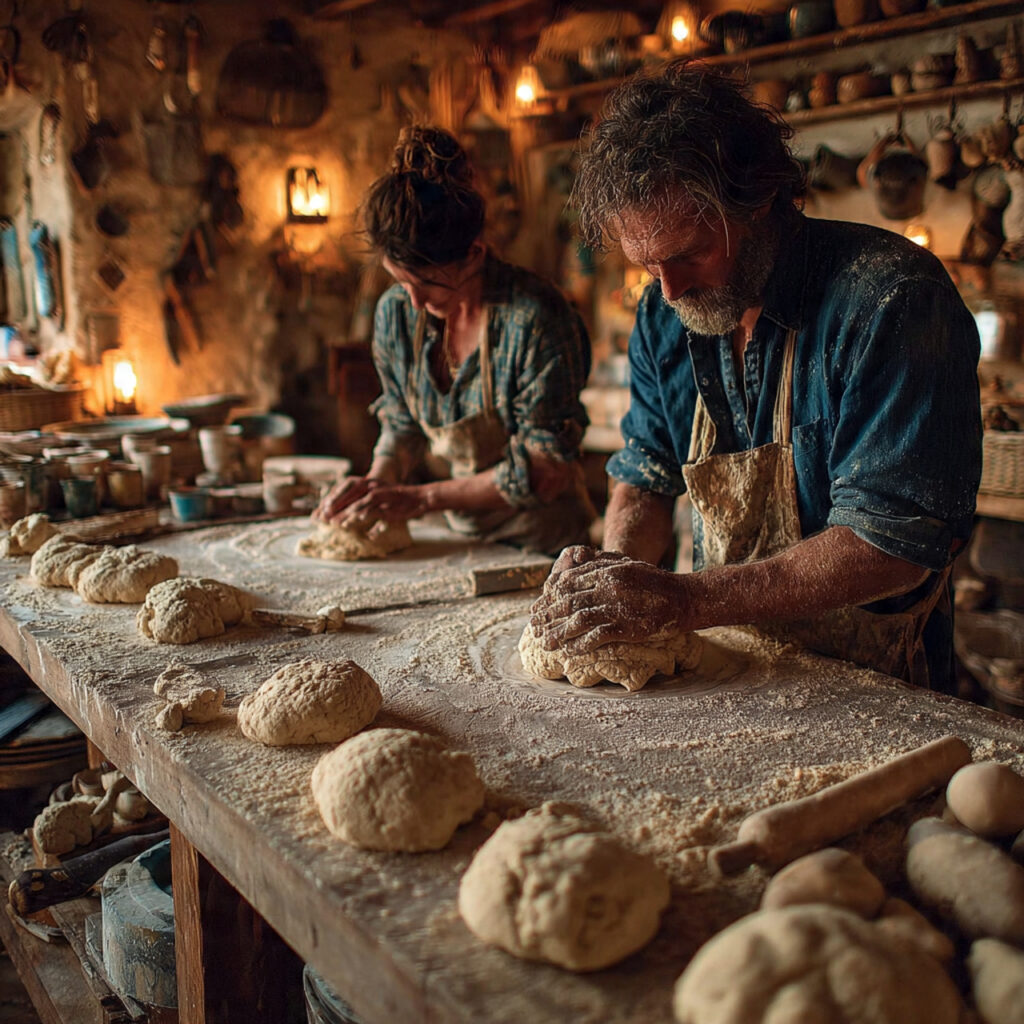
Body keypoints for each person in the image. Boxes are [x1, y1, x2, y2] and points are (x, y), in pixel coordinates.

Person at [528, 59, 982, 692]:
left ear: (761, 198)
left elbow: (891, 545)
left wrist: (683, 602)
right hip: (722, 669)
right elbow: (646, 475)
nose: (669, 288)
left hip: (872, 685)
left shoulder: (892, 301)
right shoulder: (667, 311)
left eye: (687, 254)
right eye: (648, 265)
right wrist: (619, 578)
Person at [315, 125, 595, 556]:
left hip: (541, 542)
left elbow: (544, 469)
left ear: (474, 255)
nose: (415, 300)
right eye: (399, 281)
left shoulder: (535, 320)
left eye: (427, 283)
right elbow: (402, 425)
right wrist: (377, 484)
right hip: (455, 536)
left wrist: (422, 498)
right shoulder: (397, 313)